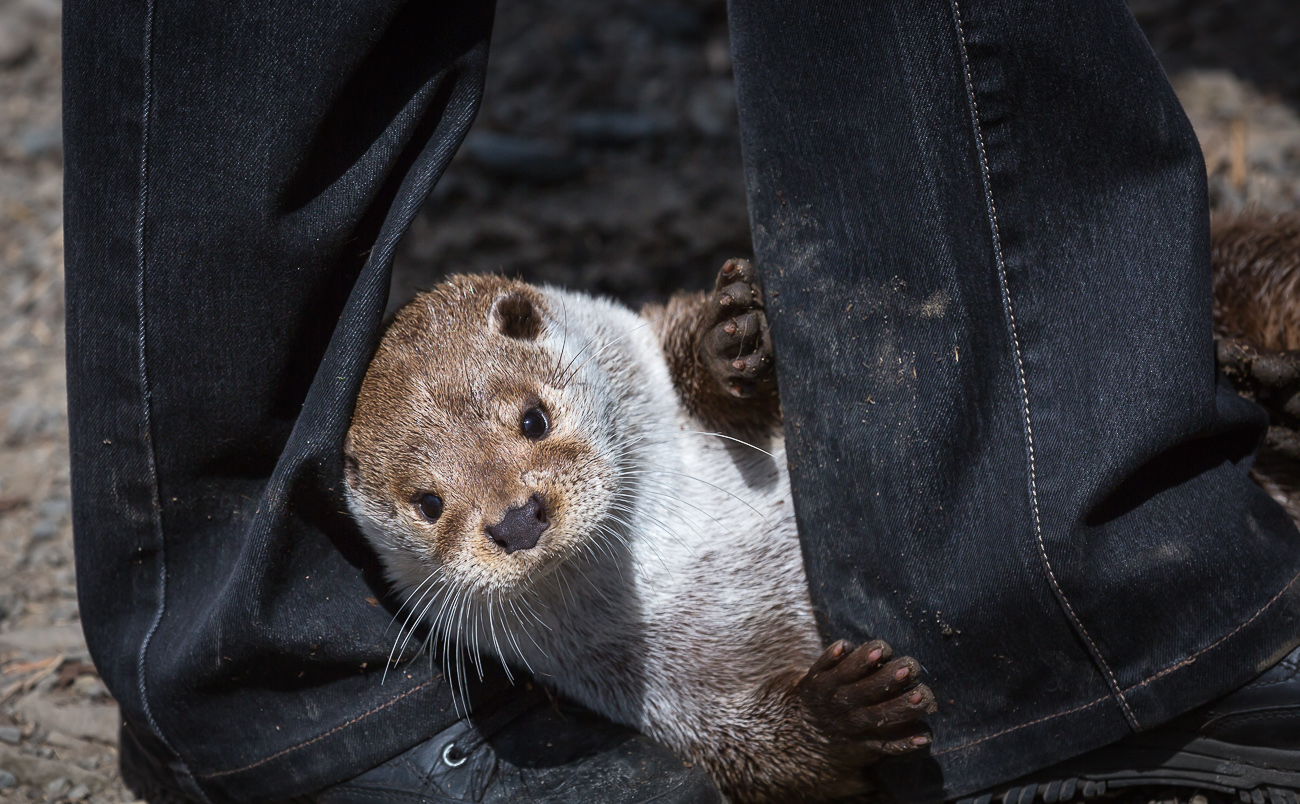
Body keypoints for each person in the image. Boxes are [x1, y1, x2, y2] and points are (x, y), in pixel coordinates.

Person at [62, 1, 1300, 803]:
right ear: (375, 521)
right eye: (434, 508)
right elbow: (736, 742)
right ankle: (273, 693)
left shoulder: (636, 355)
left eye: (533, 433)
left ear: (536, 328)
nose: (510, 514)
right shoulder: (509, 625)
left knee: (1242, 302)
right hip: (774, 662)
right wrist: (813, 733)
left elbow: (685, 373)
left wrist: (722, 365)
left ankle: (1098, 523)